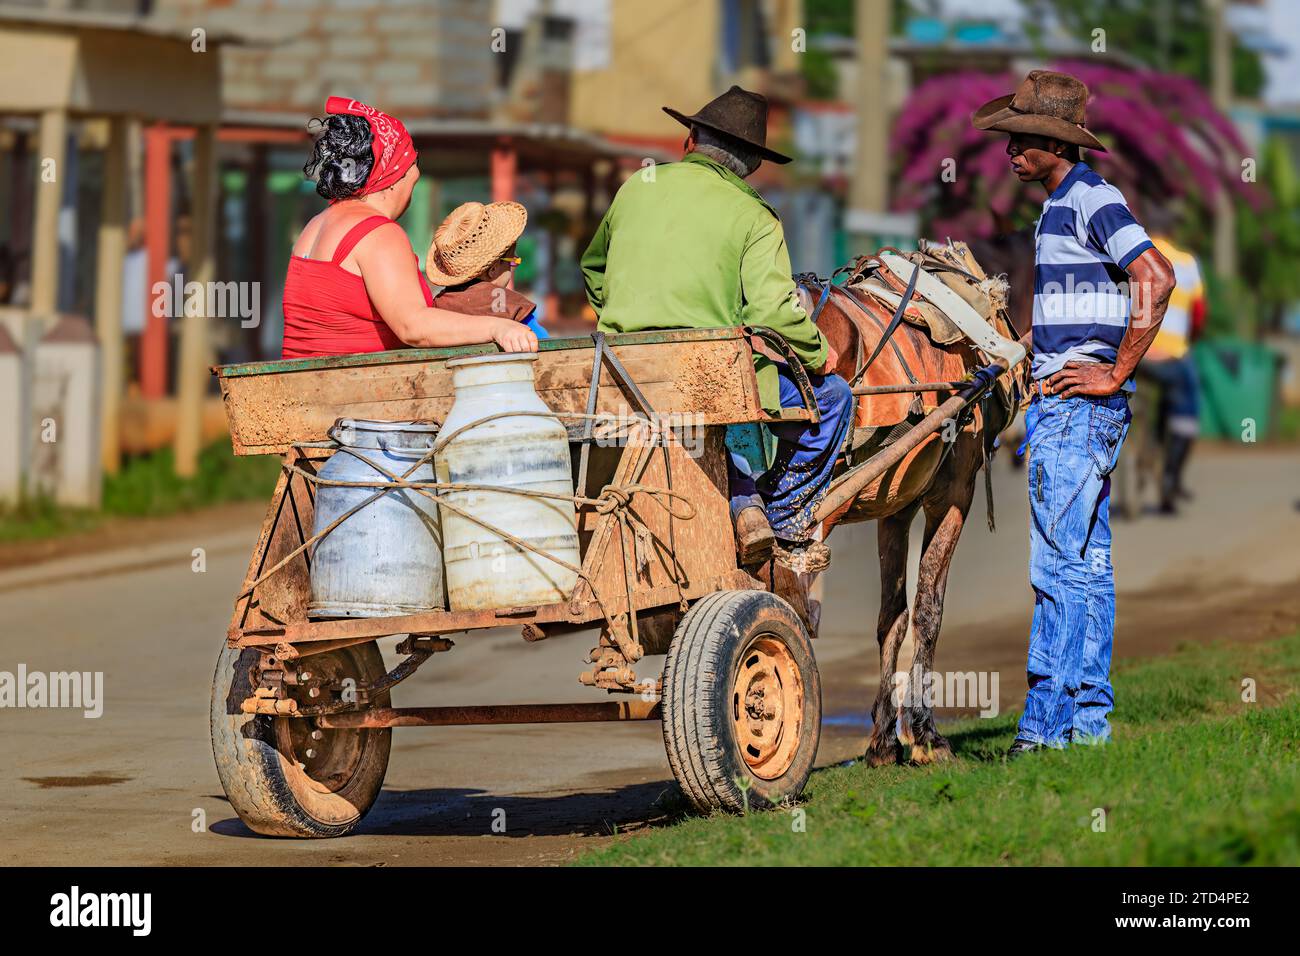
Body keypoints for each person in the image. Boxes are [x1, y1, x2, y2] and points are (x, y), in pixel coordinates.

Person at [972, 70, 1175, 754]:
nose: (1009, 154)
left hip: (1075, 410)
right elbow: (1080, 313)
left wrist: (1115, 371)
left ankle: (1042, 729)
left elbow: (1156, 276)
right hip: (1072, 402)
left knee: (1055, 568)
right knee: (1086, 566)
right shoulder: (1060, 207)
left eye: (1020, 141)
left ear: (1053, 144)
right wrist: (1023, 347)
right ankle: (1088, 725)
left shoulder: (1091, 197)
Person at [581, 86, 852, 569]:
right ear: (752, 165)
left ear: (689, 140)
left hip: (624, 370)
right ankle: (779, 513)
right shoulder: (755, 216)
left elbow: (593, 269)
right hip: (705, 380)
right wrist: (816, 353)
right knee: (834, 399)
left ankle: (745, 494)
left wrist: (626, 317)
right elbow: (773, 312)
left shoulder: (634, 188)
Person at [281, 97, 536, 360]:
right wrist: (498, 327)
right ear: (392, 178)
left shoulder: (316, 224)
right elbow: (413, 326)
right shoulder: (378, 233)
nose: (411, 195)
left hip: (302, 386)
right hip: (351, 392)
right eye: (411, 178)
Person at [1139, 208, 1205, 514]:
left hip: (1136, 356)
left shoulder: (1134, 259)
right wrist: (1190, 338)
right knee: (1188, 407)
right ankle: (1170, 481)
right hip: (1172, 357)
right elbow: (1199, 314)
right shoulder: (1185, 263)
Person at [424, 201, 548, 339]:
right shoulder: (513, 307)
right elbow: (545, 343)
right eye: (512, 260)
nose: (515, 265)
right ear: (493, 269)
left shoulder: (436, 309)